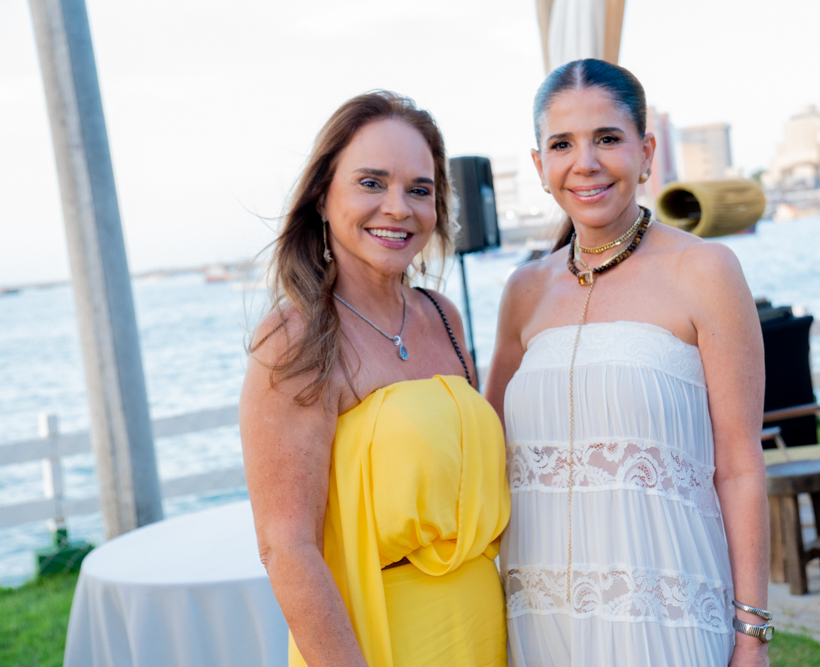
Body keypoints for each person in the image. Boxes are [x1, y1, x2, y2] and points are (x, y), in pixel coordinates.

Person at [484, 59, 770, 666]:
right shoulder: (524, 291)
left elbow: (740, 467)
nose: (585, 162)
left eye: (607, 139)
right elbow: (488, 456)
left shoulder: (705, 271)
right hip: (541, 620)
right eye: (562, 144)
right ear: (539, 165)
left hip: (665, 617)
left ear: (646, 153)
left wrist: (751, 636)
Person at [240, 91, 510, 667]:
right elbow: (286, 548)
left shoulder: (441, 314)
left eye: (420, 189)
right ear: (322, 195)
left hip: (485, 628)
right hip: (379, 639)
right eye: (371, 183)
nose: (398, 208)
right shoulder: (294, 339)